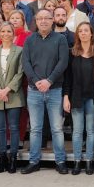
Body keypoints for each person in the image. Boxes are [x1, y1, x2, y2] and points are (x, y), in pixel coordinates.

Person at [21, 9, 70, 174]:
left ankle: (60, 161)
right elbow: (25, 63)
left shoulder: (60, 39)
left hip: (55, 90)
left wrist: (49, 81)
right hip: (34, 91)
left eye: (47, 18)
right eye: (40, 18)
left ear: (52, 20)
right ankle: (34, 161)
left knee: (57, 128)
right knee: (35, 128)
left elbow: (63, 62)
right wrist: (36, 81)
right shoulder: (29, 40)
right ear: (36, 20)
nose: (43, 21)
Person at [0, 22, 25, 174]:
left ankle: (13, 158)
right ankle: (2, 156)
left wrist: (7, 89)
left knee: (14, 128)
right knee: (0, 128)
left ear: (13, 33)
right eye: (2, 31)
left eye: (8, 31)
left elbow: (20, 72)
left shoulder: (20, 50)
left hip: (14, 94)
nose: (5, 34)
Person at [64, 22, 94, 176]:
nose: (83, 33)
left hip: (92, 97)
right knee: (77, 131)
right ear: (77, 34)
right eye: (80, 31)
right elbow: (67, 78)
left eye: (86, 30)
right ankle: (77, 160)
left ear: (91, 34)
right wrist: (66, 97)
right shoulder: (72, 53)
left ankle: (89, 161)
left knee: (90, 130)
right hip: (76, 97)